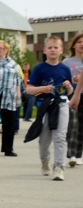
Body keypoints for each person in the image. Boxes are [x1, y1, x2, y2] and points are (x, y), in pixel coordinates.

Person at [26, 35, 74, 181]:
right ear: (45, 50)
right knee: (45, 139)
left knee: (60, 137)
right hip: (45, 105)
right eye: (50, 47)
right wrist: (42, 88)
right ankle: (45, 160)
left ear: (61, 50)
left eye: (56, 47)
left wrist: (69, 86)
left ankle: (59, 167)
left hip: (61, 104)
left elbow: (71, 92)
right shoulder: (40, 68)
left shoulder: (65, 69)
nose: (53, 50)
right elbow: (29, 89)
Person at [64, 33, 83, 166]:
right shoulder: (67, 62)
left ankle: (79, 154)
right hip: (73, 95)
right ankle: (71, 154)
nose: (82, 44)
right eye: (79, 42)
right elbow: (63, 78)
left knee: (81, 127)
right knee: (73, 125)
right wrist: (72, 80)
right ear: (74, 45)